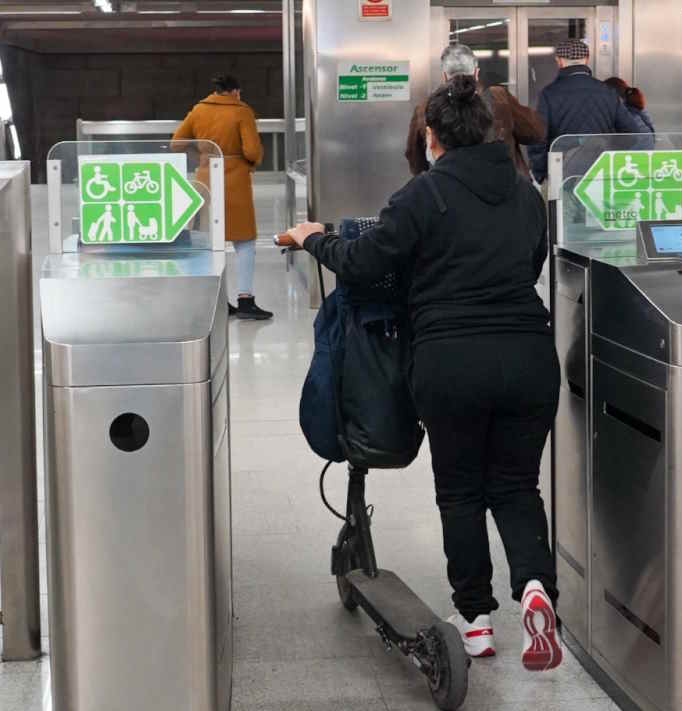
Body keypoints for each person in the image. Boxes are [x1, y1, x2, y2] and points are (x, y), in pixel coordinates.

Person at [284, 75, 563, 671]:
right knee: (516, 486)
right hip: (529, 356)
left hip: (451, 361)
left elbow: (363, 262)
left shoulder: (424, 195)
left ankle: (477, 622)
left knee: (460, 492)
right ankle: (537, 589)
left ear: (432, 136)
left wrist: (314, 238)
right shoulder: (526, 196)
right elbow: (532, 262)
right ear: (488, 130)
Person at [173, 73, 270, 319]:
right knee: (244, 241)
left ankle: (217, 301)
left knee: (210, 242)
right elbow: (251, 150)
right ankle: (246, 300)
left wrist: (202, 154)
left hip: (206, 179)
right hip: (235, 181)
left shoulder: (199, 110)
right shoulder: (241, 111)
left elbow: (176, 143)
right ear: (236, 92)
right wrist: (253, 160)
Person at [406, 43, 545, 178]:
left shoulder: (425, 108)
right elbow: (536, 133)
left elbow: (415, 159)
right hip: (505, 189)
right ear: (476, 73)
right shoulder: (500, 98)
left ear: (444, 76)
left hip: (450, 194)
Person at [527, 38, 647, 185]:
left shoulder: (549, 94)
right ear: (587, 59)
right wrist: (606, 150)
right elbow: (631, 134)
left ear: (559, 61)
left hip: (563, 174)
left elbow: (538, 139)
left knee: (564, 208)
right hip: (600, 172)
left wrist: (541, 174)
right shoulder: (607, 92)